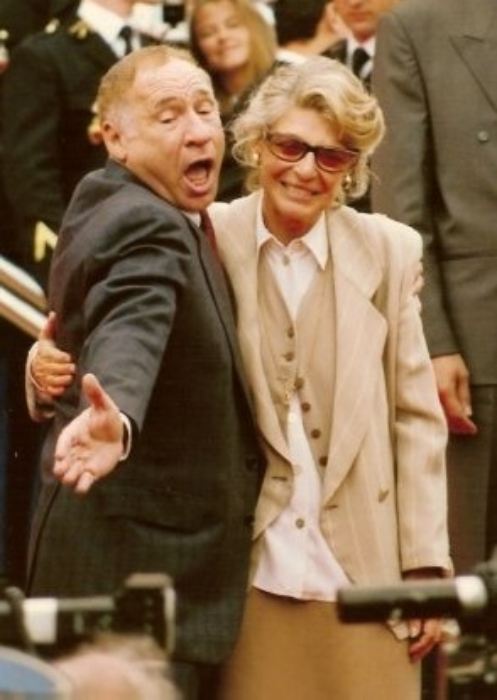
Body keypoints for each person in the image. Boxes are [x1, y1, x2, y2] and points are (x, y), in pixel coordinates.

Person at [31, 56, 451, 699]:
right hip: (252, 575)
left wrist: (425, 566)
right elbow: (130, 314)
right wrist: (56, 371)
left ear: (353, 169)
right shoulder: (207, 229)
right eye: (290, 146)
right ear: (257, 144)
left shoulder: (388, 250)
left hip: (369, 569)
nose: (307, 170)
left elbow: (415, 417)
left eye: (333, 157)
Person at [25, 44, 264, 700]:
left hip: (117, 562)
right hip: (134, 578)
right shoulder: (146, 225)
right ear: (115, 139)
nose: (195, 129)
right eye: (167, 116)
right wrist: (118, 415)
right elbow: (134, 319)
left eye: (204, 108)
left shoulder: (110, 195)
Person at [371, 0, 497, 575]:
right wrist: (435, 341)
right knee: (464, 575)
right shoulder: (417, 27)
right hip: (477, 344)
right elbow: (402, 208)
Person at [1, 0, 164, 289]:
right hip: (89, 259)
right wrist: (68, 269)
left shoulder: (155, 51)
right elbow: (31, 181)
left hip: (156, 248)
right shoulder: (46, 54)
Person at [189, 0, 276, 200]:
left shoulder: (283, 87)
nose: (223, 37)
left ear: (255, 29)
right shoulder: (196, 109)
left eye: (233, 25)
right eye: (208, 33)